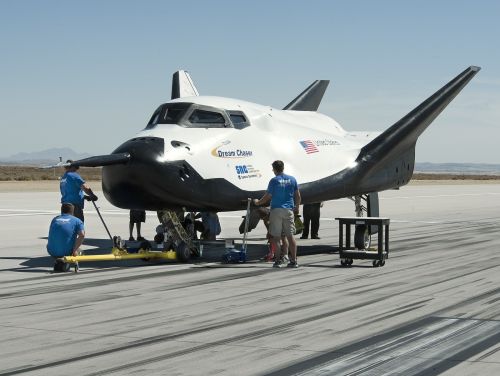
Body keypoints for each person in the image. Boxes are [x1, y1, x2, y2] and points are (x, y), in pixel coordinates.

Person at [253, 160, 301, 268]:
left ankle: (278, 260)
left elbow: (268, 196)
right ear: (283, 168)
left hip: (276, 210)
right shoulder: (292, 179)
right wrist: (297, 207)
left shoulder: (274, 181)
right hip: (289, 210)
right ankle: (294, 260)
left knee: (276, 237)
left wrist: (258, 202)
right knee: (290, 236)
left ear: (274, 169)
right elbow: (298, 195)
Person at [47, 203, 85, 272]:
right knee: (80, 251)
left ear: (61, 211)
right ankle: (71, 262)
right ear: (72, 212)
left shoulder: (55, 219)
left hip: (51, 250)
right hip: (66, 251)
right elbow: (82, 235)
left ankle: (58, 260)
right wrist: (74, 250)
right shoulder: (77, 221)